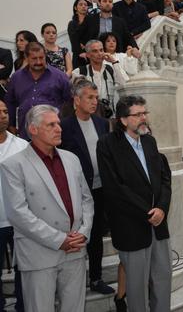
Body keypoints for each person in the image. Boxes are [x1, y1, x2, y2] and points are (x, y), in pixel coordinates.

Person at [0, 104, 94, 312]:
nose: (59, 128)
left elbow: (87, 200)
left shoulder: (71, 159)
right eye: (51, 124)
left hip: (75, 250)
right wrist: (59, 240)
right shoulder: (13, 165)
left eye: (58, 124)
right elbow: (18, 213)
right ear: (33, 129)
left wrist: (84, 233)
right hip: (38, 254)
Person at [97, 95, 172, 312]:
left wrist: (162, 209)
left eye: (144, 113)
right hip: (131, 226)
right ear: (123, 119)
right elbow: (115, 188)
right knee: (137, 287)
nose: (143, 118)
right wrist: (148, 212)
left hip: (158, 225)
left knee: (163, 278)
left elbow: (164, 179)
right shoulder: (107, 145)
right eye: (137, 115)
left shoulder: (150, 141)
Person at [59, 80, 114, 295]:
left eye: (96, 97)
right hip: (76, 192)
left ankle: (96, 278)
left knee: (97, 235)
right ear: (76, 100)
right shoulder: (64, 126)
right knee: (77, 235)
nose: (94, 102)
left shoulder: (102, 123)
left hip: (101, 189)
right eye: (89, 98)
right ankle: (70, 281)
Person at [5, 42, 71, 139]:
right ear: (26, 58)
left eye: (41, 58)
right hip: (26, 132)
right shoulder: (16, 78)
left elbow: (69, 102)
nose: (39, 62)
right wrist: (11, 125)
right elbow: (10, 102)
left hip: (53, 132)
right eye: (34, 59)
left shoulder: (60, 77)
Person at [0, 100, 27, 312]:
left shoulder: (21, 145)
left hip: (19, 219)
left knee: (23, 268)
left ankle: (23, 305)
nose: (2, 115)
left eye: (4, 111)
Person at [71, 39, 127, 118]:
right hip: (89, 117)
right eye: (95, 51)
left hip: (110, 116)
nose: (99, 54)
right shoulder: (79, 72)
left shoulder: (111, 69)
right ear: (88, 55)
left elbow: (124, 84)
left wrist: (114, 61)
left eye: (101, 50)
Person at [67, 0, 90, 68]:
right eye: (81, 4)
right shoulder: (72, 23)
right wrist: (81, 52)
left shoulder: (92, 21)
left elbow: (93, 36)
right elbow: (74, 40)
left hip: (91, 54)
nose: (83, 6)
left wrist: (86, 47)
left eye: (85, 5)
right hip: (78, 55)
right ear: (75, 8)